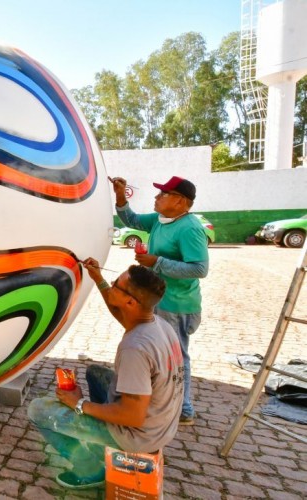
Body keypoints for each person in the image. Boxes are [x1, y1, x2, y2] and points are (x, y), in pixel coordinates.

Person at [27, 262, 184, 490]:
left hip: (136, 435)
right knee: (95, 373)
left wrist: (79, 404)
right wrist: (98, 278)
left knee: (38, 409)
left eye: (116, 285)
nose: (111, 285)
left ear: (130, 301)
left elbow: (132, 416)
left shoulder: (135, 348)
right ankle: (101, 440)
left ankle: (89, 470)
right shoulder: (157, 324)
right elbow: (119, 311)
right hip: (161, 423)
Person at [111, 175, 209, 425]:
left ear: (180, 201)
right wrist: (120, 195)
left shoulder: (190, 228)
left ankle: (184, 408)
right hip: (160, 300)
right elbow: (131, 219)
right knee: (161, 353)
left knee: (176, 356)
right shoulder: (159, 220)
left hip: (178, 305)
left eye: (163, 194)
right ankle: (162, 399)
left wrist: (158, 262)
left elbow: (199, 269)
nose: (156, 198)